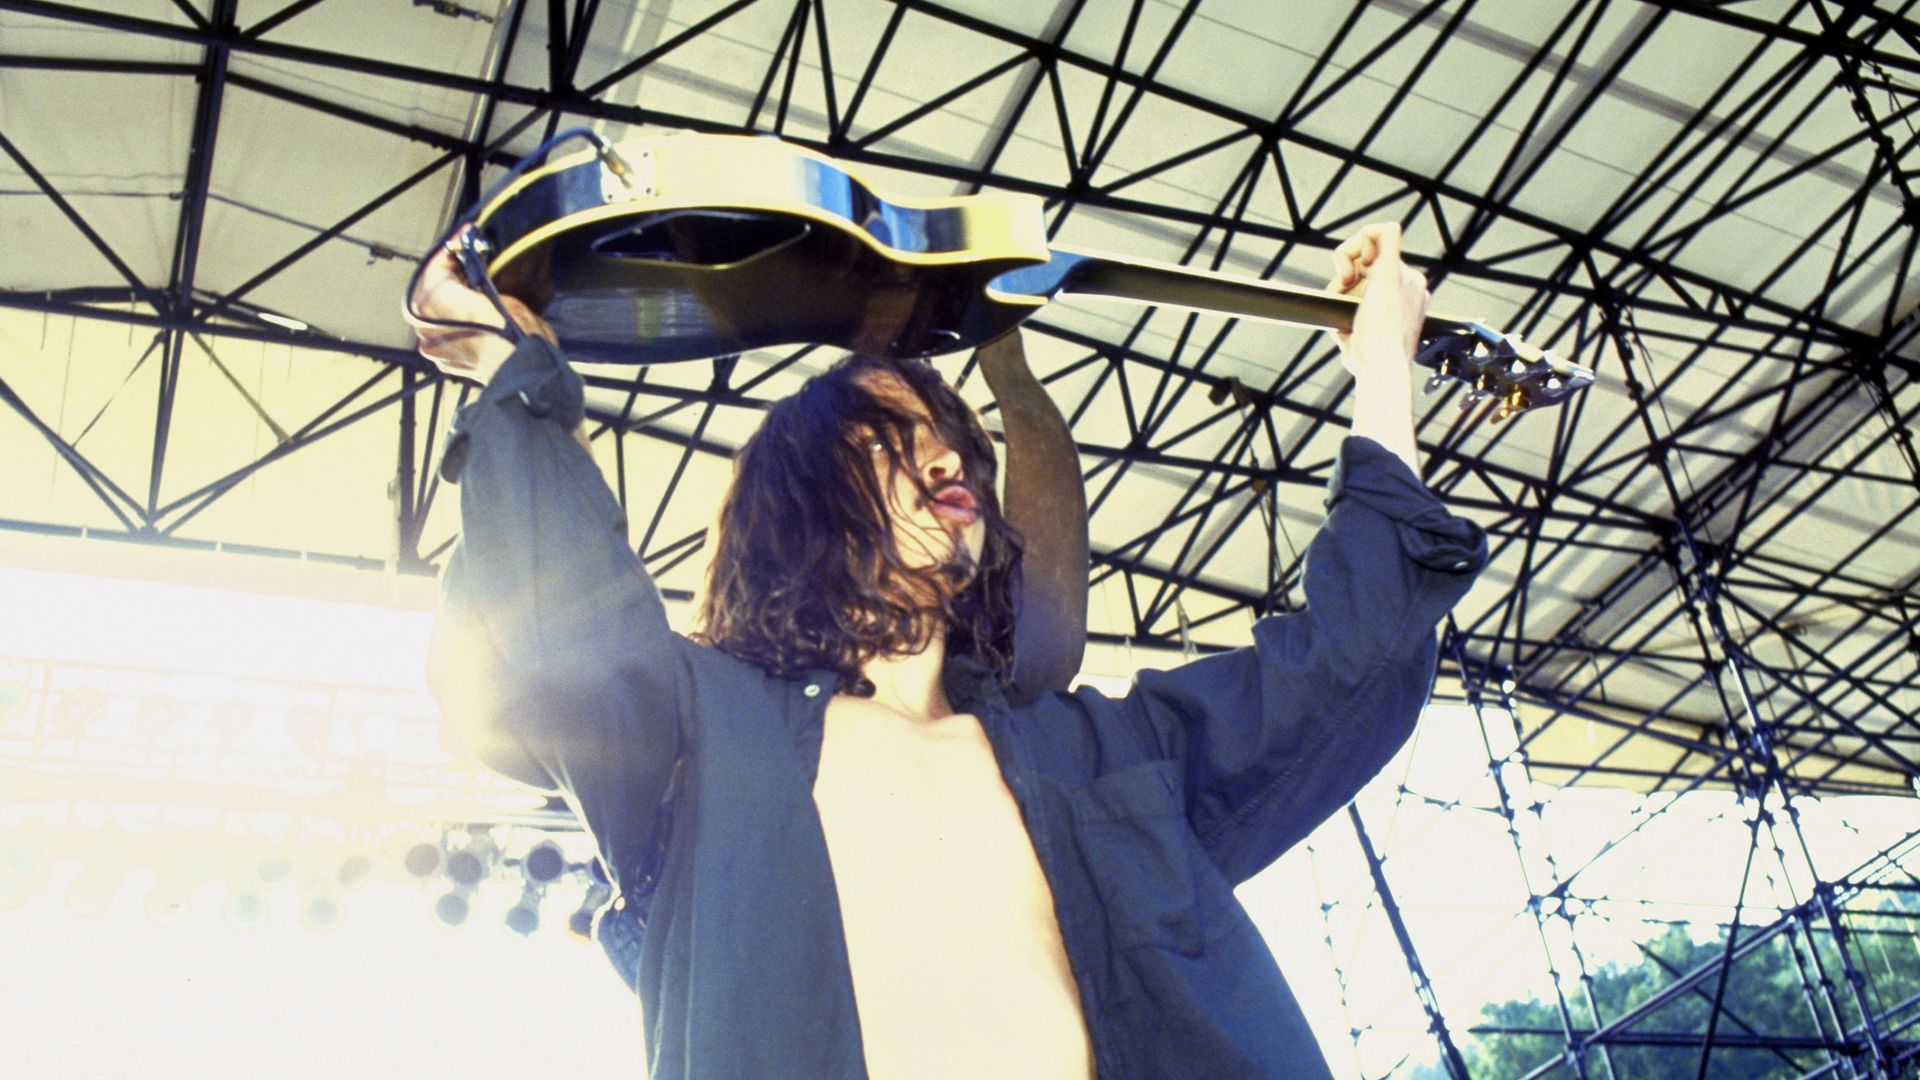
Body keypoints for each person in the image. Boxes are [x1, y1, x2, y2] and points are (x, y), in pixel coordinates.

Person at [413, 220, 1486, 1079]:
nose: (941, 454)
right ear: (799, 506)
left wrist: (1383, 365)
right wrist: (517, 384)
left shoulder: (1105, 755)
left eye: (951, 436)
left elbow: (1350, 663)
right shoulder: (703, 729)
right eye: (888, 438)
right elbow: (552, 640)